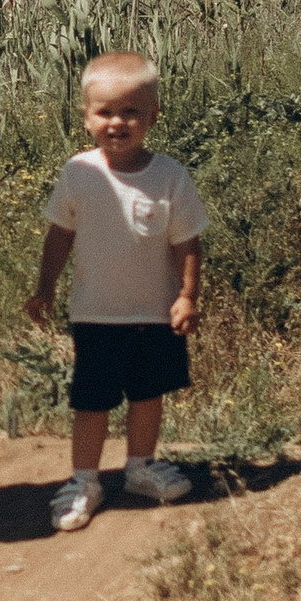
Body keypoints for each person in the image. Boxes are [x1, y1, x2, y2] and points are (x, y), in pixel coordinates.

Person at [24, 51, 203, 529]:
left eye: (131, 113)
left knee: (148, 396)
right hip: (95, 315)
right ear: (86, 117)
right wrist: (44, 288)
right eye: (104, 112)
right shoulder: (78, 173)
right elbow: (59, 234)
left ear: (153, 116)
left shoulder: (170, 176)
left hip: (153, 314)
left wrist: (187, 296)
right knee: (91, 401)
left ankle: (141, 468)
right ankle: (84, 480)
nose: (117, 123)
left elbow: (188, 242)